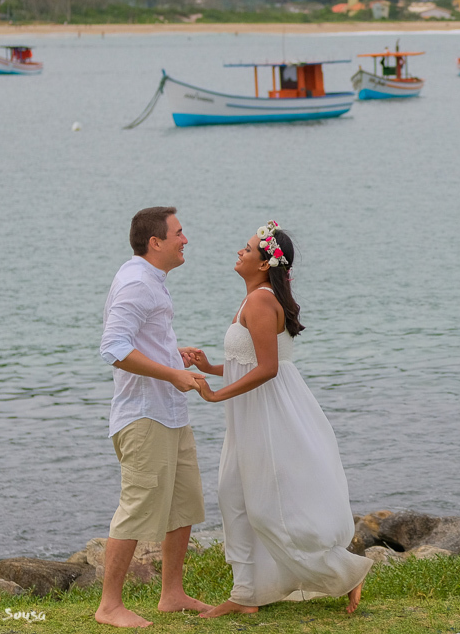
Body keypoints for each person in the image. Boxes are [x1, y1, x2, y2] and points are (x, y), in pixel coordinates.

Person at [185, 220, 371, 618]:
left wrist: (215, 394)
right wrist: (213, 367)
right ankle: (247, 594)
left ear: (266, 262)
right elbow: (250, 362)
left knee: (269, 506)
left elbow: (268, 368)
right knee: (232, 493)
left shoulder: (259, 301)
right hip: (255, 413)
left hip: (269, 415)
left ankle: (345, 573)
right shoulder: (255, 299)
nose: (240, 251)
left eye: (248, 248)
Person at [96, 207, 212, 628]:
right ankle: (109, 606)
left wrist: (172, 355)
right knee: (136, 507)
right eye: (179, 232)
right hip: (144, 417)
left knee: (183, 505)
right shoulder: (135, 283)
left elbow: (140, 341)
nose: (186, 239)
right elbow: (114, 348)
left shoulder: (152, 282)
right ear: (155, 242)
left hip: (170, 414)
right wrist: (171, 372)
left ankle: (172, 594)